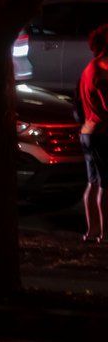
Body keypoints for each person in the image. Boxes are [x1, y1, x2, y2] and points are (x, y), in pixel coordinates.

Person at [78, 23, 108, 242]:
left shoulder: (89, 69)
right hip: (101, 133)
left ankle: (92, 232)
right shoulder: (100, 73)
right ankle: (104, 234)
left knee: (93, 182)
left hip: (88, 132)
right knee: (105, 185)